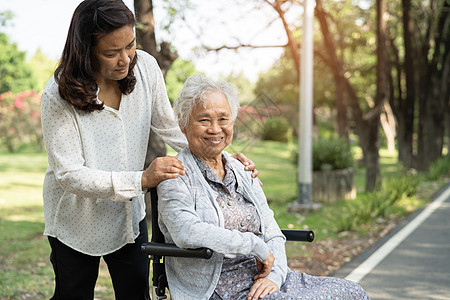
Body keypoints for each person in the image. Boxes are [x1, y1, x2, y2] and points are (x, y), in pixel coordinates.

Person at [40, 1, 257, 299]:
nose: (125, 59)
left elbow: (171, 129)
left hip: (128, 217)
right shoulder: (57, 94)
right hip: (76, 221)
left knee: (136, 294)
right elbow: (69, 174)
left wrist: (226, 159)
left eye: (129, 45)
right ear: (85, 50)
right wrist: (142, 180)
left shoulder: (145, 68)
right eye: (111, 52)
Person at [157, 74, 370, 300]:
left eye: (223, 119)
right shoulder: (174, 174)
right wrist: (254, 245)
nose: (215, 129)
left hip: (267, 280)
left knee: (352, 291)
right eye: (204, 120)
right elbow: (186, 232)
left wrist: (274, 277)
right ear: (183, 124)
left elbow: (272, 231)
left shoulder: (241, 169)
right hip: (219, 288)